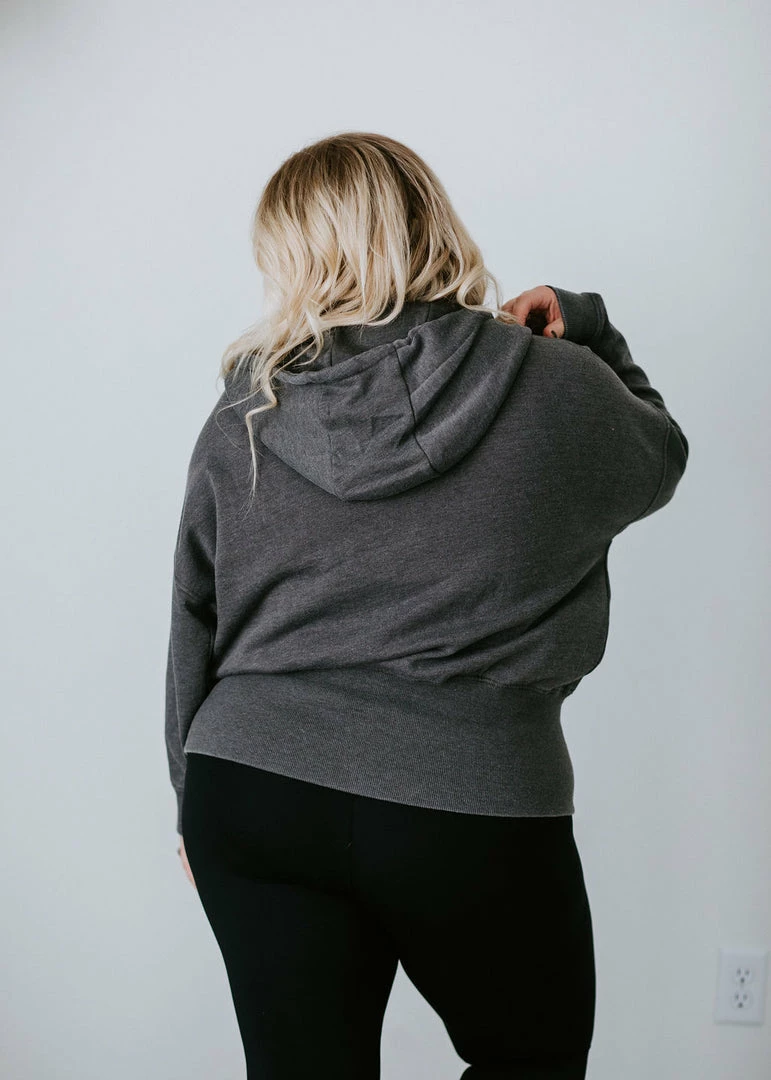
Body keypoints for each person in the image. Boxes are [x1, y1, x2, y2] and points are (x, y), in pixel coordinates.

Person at [164, 131, 688, 1079]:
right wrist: (587, 328)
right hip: (470, 796)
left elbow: (193, 613)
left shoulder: (249, 408)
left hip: (251, 786)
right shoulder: (556, 387)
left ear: (295, 255)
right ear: (427, 221)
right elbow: (658, 458)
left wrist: (186, 799)